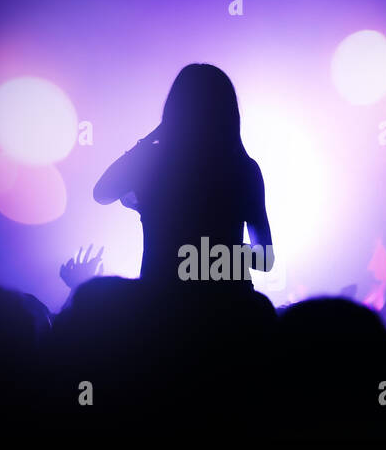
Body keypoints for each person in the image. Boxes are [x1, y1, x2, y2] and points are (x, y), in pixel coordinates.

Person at [93, 63, 273, 284]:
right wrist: (219, 249)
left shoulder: (153, 161)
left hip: (161, 305)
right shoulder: (244, 169)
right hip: (229, 304)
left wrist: (149, 139)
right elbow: (265, 259)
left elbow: (102, 194)